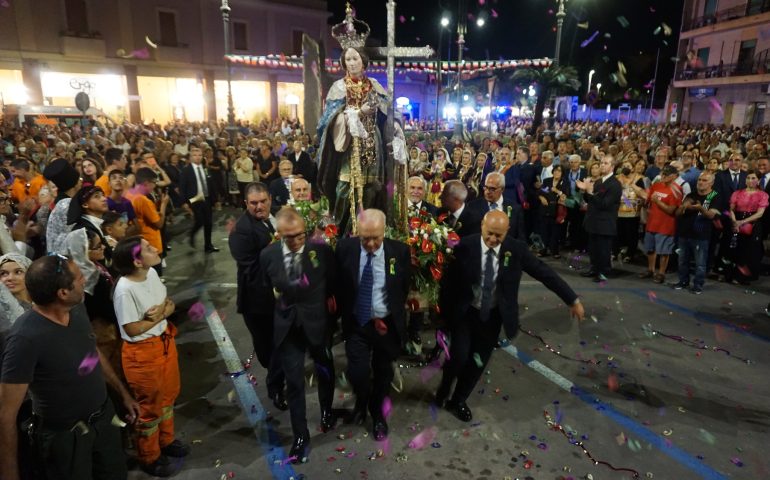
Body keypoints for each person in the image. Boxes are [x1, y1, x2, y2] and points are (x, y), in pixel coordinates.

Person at [435, 210, 584, 422]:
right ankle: (444, 387)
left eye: (499, 235)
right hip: (466, 313)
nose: (493, 239)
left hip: (492, 317)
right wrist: (443, 315)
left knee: (477, 363)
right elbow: (448, 283)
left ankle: (458, 400)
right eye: (489, 234)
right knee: (458, 356)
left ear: (507, 232)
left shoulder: (516, 250)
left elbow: (544, 273)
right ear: (482, 228)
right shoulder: (464, 247)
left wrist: (572, 299)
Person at [0, 255, 140, 480]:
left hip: (103, 423)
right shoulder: (24, 339)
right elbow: (6, 415)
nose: (84, 279)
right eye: (78, 277)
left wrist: (123, 394)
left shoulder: (76, 310)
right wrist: (9, 473)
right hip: (65, 440)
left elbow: (91, 353)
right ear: (62, 293)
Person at [260, 207, 336, 463]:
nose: (296, 241)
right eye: (290, 237)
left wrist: (331, 319)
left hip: (317, 324)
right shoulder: (268, 256)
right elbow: (262, 289)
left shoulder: (322, 252)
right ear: (279, 234)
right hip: (287, 327)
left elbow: (334, 284)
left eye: (300, 235)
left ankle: (327, 410)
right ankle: (300, 435)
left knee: (325, 369)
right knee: (294, 382)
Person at [112, 237, 190, 477]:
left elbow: (168, 305)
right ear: (136, 261)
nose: (156, 249)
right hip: (143, 353)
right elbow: (132, 329)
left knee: (168, 396)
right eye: (147, 249)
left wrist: (161, 314)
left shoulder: (152, 275)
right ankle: (149, 456)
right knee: (150, 406)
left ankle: (166, 441)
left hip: (163, 342)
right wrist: (158, 317)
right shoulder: (125, 290)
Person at [335, 209, 410, 441]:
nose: (370, 243)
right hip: (358, 323)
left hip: (386, 325)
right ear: (357, 232)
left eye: (375, 238)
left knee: (383, 374)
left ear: (384, 231)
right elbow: (339, 283)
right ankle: (362, 402)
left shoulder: (399, 251)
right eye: (365, 238)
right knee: (358, 373)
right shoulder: (345, 249)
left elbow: (403, 287)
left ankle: (377, 414)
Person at [227, 182, 286, 411]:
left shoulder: (275, 217)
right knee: (267, 350)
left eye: (263, 201)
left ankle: (277, 385)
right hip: (257, 303)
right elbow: (251, 268)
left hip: (277, 299)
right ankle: (276, 384)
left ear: (270, 199)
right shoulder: (242, 230)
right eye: (254, 203)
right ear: (246, 204)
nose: (259, 206)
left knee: (279, 346)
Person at [317, 47, 389, 234]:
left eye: (355, 58)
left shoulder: (374, 85)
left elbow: (388, 112)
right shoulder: (338, 87)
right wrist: (358, 113)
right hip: (348, 143)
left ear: (363, 60)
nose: (352, 63)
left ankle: (365, 228)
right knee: (344, 186)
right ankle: (340, 230)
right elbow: (327, 121)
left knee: (371, 187)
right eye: (347, 59)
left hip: (372, 141)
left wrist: (395, 125)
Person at [673, 172, 722, 294]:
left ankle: (698, 285)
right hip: (684, 233)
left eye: (704, 180)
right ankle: (683, 281)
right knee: (682, 261)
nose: (700, 182)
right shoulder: (691, 194)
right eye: (700, 179)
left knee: (700, 263)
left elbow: (711, 215)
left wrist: (700, 208)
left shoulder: (714, 196)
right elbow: (677, 214)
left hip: (701, 235)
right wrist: (683, 207)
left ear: (711, 183)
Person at [576, 156, 622, 282]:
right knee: (593, 248)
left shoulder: (615, 184)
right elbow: (590, 201)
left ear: (612, 166)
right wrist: (585, 191)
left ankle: (603, 272)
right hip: (593, 220)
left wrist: (590, 192)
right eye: (601, 163)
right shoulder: (599, 181)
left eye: (605, 163)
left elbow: (605, 204)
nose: (602, 165)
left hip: (605, 222)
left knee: (603, 250)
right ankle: (594, 269)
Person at [637, 165, 682, 284]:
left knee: (664, 252)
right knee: (650, 249)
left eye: (665, 175)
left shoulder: (676, 190)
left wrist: (657, 201)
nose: (662, 176)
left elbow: (671, 210)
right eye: (662, 174)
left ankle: (661, 273)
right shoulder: (656, 186)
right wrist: (643, 201)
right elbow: (648, 202)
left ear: (673, 176)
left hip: (666, 226)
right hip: (652, 223)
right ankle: (650, 270)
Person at [726, 170, 768, 285]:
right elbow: (731, 209)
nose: (750, 180)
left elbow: (760, 213)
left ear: (758, 180)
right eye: (748, 178)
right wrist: (735, 222)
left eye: (753, 178)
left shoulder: (763, 195)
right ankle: (731, 274)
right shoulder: (737, 193)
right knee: (735, 248)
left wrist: (742, 222)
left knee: (749, 251)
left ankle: (743, 277)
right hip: (736, 221)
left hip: (753, 224)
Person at [124, 168, 169, 273]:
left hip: (139, 243)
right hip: (151, 243)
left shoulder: (129, 194)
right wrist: (163, 205)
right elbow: (159, 224)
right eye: (154, 183)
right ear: (146, 183)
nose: (155, 186)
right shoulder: (143, 200)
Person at [180, 146, 218, 253]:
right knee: (200, 221)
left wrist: (215, 199)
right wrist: (184, 202)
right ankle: (192, 234)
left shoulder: (206, 168)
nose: (197, 157)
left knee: (209, 223)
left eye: (200, 155)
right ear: (191, 157)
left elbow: (211, 184)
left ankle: (208, 245)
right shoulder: (186, 170)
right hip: (194, 199)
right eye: (195, 155)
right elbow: (182, 187)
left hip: (206, 198)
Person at [468, 172, 525, 241]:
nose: (487, 192)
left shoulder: (515, 209)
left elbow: (520, 238)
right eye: (486, 187)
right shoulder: (473, 206)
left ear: (502, 189)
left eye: (492, 189)